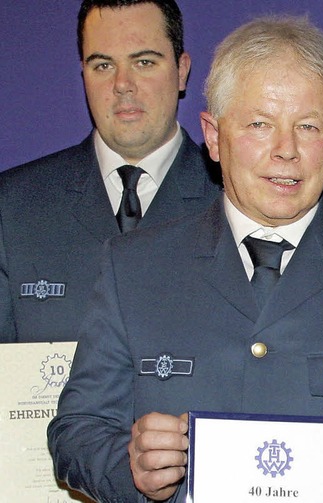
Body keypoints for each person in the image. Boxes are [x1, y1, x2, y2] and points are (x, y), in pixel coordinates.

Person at [47, 15, 323, 502]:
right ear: (212, 136)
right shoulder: (134, 267)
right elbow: (76, 432)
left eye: (308, 127)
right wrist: (132, 470)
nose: (286, 151)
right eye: (259, 124)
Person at [0, 0, 220, 343]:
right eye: (103, 65)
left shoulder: (233, 201)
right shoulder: (13, 209)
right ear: (83, 75)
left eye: (144, 62)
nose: (122, 84)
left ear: (182, 71)